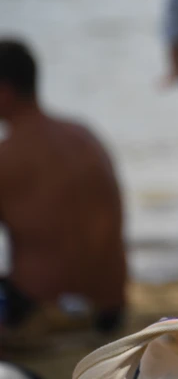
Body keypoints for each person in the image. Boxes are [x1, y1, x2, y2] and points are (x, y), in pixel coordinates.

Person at [0, 40, 127, 348]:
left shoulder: (8, 156)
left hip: (39, 312)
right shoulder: (84, 136)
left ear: (4, 91)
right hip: (110, 312)